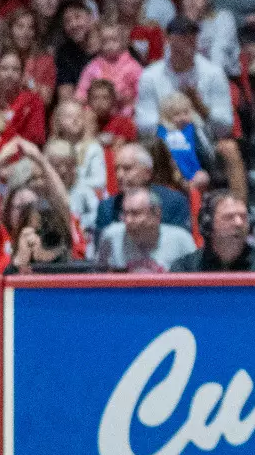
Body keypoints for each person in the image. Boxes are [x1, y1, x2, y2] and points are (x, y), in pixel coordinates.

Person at [133, 18, 246, 199]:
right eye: (180, 40)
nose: (185, 46)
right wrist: (170, 123)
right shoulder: (150, 75)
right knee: (139, 150)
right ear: (168, 40)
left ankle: (240, 208)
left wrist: (200, 108)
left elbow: (225, 125)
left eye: (190, 40)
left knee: (230, 148)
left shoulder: (213, 73)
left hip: (203, 139)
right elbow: (142, 123)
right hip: (163, 140)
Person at [172, 192, 255, 271]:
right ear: (208, 224)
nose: (239, 223)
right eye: (229, 217)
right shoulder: (186, 268)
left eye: (243, 217)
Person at [95, 143, 192, 232]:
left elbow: (180, 244)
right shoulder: (107, 208)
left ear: (147, 172)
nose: (119, 175)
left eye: (127, 168)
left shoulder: (173, 203)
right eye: (117, 169)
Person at [97, 185, 195, 271]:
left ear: (156, 214)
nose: (128, 220)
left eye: (135, 213)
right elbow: (99, 273)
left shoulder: (181, 240)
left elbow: (196, 277)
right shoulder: (111, 236)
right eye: (125, 213)